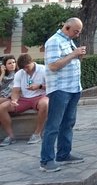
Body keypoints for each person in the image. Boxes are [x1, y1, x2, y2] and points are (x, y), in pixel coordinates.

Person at [40, 17, 86, 173]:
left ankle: (63, 154)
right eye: (76, 31)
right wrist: (74, 54)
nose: (77, 34)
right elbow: (53, 66)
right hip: (60, 89)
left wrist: (77, 56)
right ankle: (46, 160)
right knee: (53, 125)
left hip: (73, 88)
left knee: (68, 122)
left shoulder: (68, 40)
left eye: (79, 32)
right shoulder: (54, 41)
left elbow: (67, 60)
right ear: (67, 27)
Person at [0, 54, 48, 146]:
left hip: (40, 96)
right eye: (23, 68)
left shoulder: (43, 69)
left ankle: (37, 134)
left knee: (45, 104)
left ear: (32, 62)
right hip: (24, 98)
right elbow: (16, 90)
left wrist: (40, 86)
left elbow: (53, 86)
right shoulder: (20, 73)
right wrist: (14, 100)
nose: (25, 70)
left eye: (27, 67)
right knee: (2, 108)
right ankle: (11, 136)